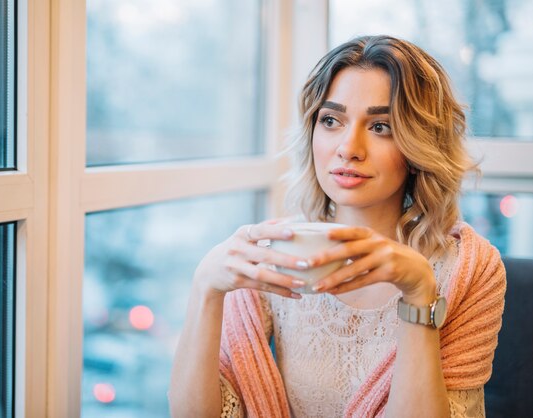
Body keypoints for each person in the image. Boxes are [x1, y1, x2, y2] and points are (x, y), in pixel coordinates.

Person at [169, 35, 505, 418]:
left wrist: (418, 295)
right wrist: (205, 289)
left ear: (417, 148)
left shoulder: (471, 270)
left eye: (381, 127)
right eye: (331, 120)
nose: (349, 147)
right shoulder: (272, 251)